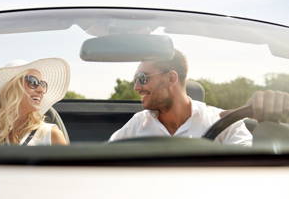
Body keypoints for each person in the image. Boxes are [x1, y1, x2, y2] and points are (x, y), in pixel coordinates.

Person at [109, 50, 289, 145]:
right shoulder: (138, 123)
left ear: (171, 78)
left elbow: (252, 175)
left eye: (142, 78)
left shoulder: (226, 123)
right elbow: (107, 161)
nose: (136, 87)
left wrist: (270, 128)